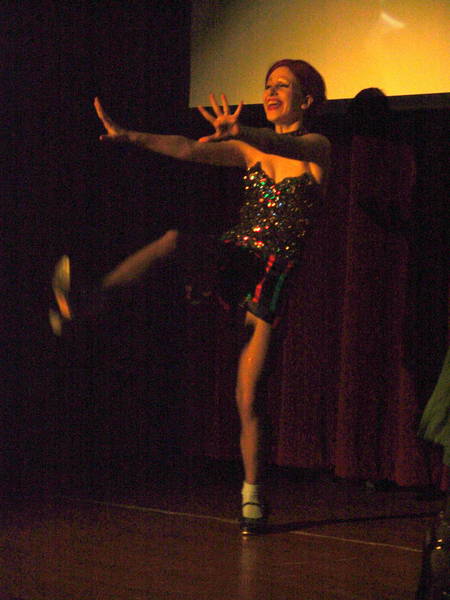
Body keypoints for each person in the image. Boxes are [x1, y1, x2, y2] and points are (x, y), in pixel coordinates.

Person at [50, 59, 330, 534]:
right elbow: (185, 147)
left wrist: (243, 132)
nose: (270, 92)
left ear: (306, 99)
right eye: (267, 85)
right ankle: (86, 300)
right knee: (175, 240)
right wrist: (131, 136)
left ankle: (252, 497)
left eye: (282, 86)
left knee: (248, 396)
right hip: (234, 258)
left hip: (272, 277)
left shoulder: (316, 148)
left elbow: (284, 143)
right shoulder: (248, 149)